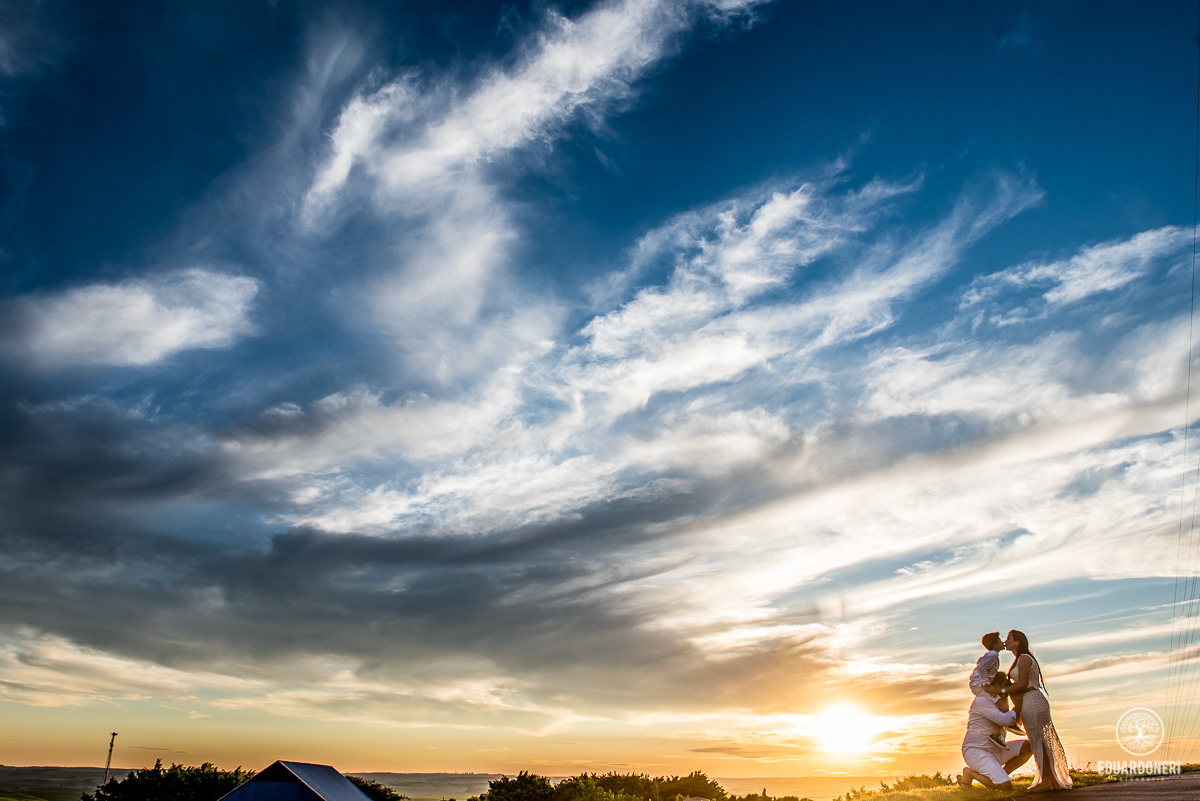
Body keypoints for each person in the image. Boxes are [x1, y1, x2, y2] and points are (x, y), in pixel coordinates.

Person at [1004, 629, 1072, 791]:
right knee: (1040, 741)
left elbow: (1023, 684)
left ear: (1017, 642)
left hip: (1032, 701)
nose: (1006, 641)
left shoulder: (1024, 658)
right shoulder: (1021, 658)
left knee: (1038, 741)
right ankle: (1050, 780)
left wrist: (1001, 691)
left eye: (1009, 639)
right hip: (1032, 700)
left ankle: (1047, 780)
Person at [958, 670, 1033, 790]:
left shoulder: (1002, 703)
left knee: (1027, 747)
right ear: (997, 685)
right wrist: (1018, 706)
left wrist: (1019, 706)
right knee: (1006, 787)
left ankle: (1000, 777)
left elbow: (1014, 725)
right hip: (977, 751)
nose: (1008, 690)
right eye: (1006, 685)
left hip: (997, 750)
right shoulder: (982, 701)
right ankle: (970, 773)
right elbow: (1004, 720)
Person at [969, 632, 1002, 697]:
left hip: (978, 684)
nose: (1003, 642)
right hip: (979, 685)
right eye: (1000, 641)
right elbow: (982, 668)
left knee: (996, 699)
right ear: (996, 645)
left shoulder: (991, 654)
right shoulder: (993, 654)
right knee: (997, 700)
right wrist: (986, 684)